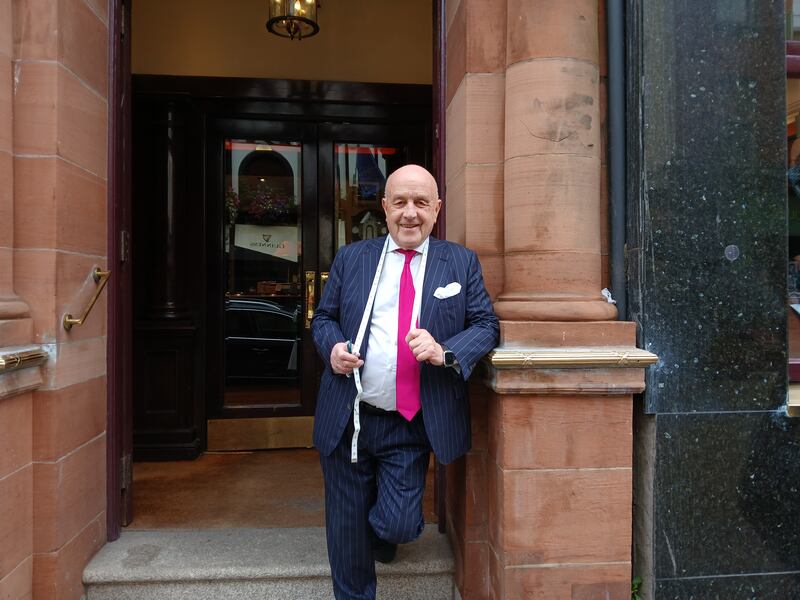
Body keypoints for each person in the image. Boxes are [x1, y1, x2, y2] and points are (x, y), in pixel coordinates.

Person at [311, 164, 499, 600]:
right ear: (385, 207)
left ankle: (379, 532)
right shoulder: (352, 258)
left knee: (397, 523)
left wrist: (445, 350)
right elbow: (324, 318)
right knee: (345, 530)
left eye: (420, 203)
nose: (409, 213)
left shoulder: (460, 261)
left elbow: (486, 324)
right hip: (350, 414)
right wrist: (333, 348)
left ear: (437, 208)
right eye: (400, 202)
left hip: (410, 422)